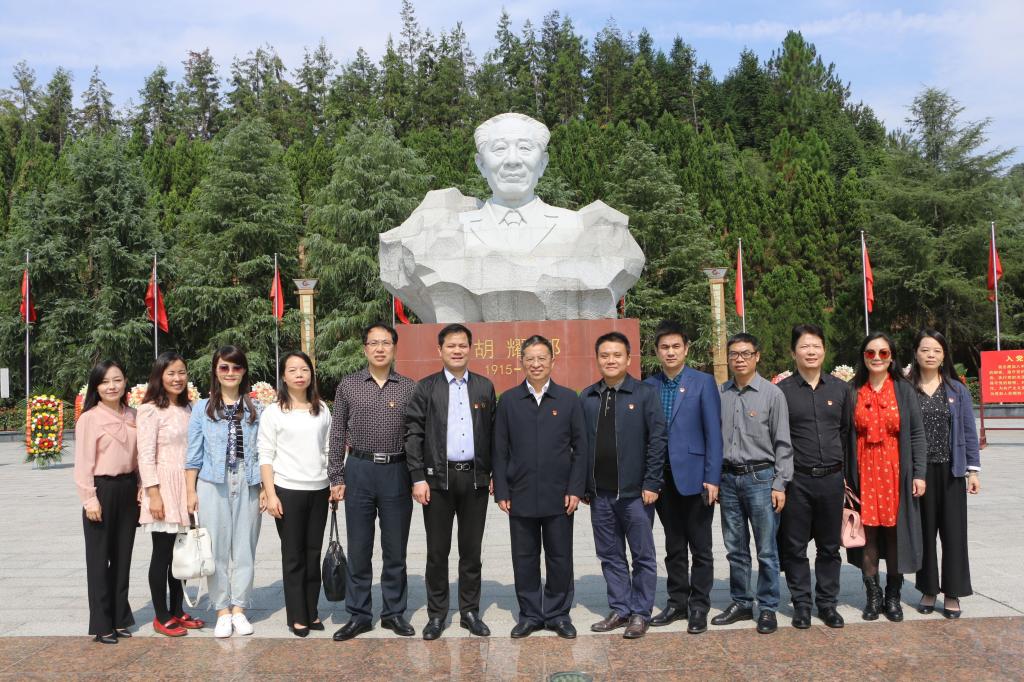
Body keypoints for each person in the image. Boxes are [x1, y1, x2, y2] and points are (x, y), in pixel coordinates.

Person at [379, 112, 645, 323]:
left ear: (543, 163)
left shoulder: (576, 227)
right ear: (481, 164)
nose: (513, 161)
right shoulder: (453, 228)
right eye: (499, 149)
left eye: (525, 148)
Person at [493, 335, 588, 639]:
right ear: (521, 362)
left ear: (552, 361)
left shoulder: (568, 399)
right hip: (520, 494)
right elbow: (499, 449)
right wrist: (502, 491)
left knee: (560, 557)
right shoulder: (509, 400)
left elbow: (581, 448)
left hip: (559, 495)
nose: (536, 364)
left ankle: (558, 614)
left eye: (541, 358)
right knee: (524, 558)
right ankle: (531, 614)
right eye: (530, 359)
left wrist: (576, 489)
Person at [405, 323, 496, 640]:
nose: (457, 350)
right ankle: (437, 614)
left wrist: (494, 475)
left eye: (462, 345)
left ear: (470, 349)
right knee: (437, 552)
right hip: (437, 481)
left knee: (471, 551)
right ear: (440, 350)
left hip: (474, 480)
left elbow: (494, 434)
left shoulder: (484, 387)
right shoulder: (426, 388)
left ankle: (470, 611)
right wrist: (417, 477)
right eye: (451, 346)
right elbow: (413, 434)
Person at [328, 323, 417, 641]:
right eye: (374, 343)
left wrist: (417, 477)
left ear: (394, 348)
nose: (380, 349)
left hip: (397, 471)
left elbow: (415, 435)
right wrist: (336, 475)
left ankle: (394, 613)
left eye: (386, 343)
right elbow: (337, 432)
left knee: (395, 549)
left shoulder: (408, 387)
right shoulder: (349, 385)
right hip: (359, 471)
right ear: (365, 348)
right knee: (359, 548)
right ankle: (359, 614)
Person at [580, 331, 666, 639]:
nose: (611, 360)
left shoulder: (644, 394)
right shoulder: (588, 396)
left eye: (617, 355)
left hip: (635, 494)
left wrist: (652, 482)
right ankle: (620, 608)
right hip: (600, 495)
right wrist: (584, 486)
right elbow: (581, 445)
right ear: (597, 359)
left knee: (642, 556)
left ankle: (640, 612)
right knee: (610, 554)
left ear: (628, 359)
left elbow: (657, 440)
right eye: (605, 355)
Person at [643, 320, 722, 635]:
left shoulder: (703, 382)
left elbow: (713, 434)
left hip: (695, 478)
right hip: (662, 480)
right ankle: (677, 603)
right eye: (664, 347)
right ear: (656, 351)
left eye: (676, 346)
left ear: (686, 349)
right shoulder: (649, 386)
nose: (670, 352)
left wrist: (713, 478)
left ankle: (699, 605)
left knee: (700, 546)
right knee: (673, 545)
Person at [713, 332, 792, 635]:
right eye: (734, 354)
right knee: (735, 547)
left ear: (757, 356)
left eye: (746, 353)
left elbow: (783, 443)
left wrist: (780, 484)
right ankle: (741, 602)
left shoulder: (773, 394)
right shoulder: (721, 393)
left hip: (761, 479)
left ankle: (768, 606)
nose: (740, 359)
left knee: (766, 549)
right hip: (728, 479)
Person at [185, 346, 265, 638]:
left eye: (236, 367)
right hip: (212, 482)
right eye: (224, 367)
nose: (230, 373)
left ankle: (239, 608)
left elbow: (264, 452)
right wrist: (190, 491)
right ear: (216, 371)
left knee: (245, 548)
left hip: (248, 480)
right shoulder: (202, 409)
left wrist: (265, 488)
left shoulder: (258, 409)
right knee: (216, 550)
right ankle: (221, 610)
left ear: (244, 371)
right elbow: (193, 455)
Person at [846, 332, 927, 622]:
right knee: (867, 534)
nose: (877, 358)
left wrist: (919, 473)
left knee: (895, 534)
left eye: (883, 352)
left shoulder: (904, 390)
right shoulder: (853, 390)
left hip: (896, 471)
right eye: (871, 353)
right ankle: (873, 596)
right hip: (863, 469)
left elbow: (916, 434)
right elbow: (843, 435)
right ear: (863, 357)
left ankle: (893, 596)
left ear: (892, 357)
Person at [776, 324, 851, 630]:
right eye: (804, 346)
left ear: (824, 351)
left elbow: (845, 432)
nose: (811, 352)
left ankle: (828, 604)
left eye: (816, 346)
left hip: (832, 480)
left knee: (829, 547)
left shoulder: (840, 389)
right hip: (798, 480)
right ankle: (802, 604)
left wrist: (845, 476)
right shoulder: (782, 392)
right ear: (793, 352)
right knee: (794, 547)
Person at [908, 329, 980, 619]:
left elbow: (968, 431)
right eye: (925, 349)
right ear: (916, 353)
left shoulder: (956, 390)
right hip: (920, 473)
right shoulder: (906, 388)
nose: (930, 355)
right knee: (925, 533)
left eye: (936, 350)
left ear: (944, 355)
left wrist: (972, 471)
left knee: (954, 534)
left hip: (951, 471)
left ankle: (953, 592)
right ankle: (928, 589)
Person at [259, 351, 332, 637]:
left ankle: (312, 611)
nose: (299, 375)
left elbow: (329, 448)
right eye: (293, 370)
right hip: (287, 491)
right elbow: (265, 455)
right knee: (293, 556)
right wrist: (270, 493)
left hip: (319, 490)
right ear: (283, 376)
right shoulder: (273, 412)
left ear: (311, 374)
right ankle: (297, 615)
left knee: (313, 554)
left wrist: (334, 481)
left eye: (304, 369)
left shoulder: (321, 409)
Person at [138, 352, 204, 637]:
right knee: (162, 553)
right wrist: (153, 494)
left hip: (187, 485)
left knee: (182, 552)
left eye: (182, 372)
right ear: (159, 376)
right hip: (164, 486)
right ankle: (161, 614)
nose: (177, 378)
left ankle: (178, 609)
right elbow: (145, 455)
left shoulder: (190, 408)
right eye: (171, 373)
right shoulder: (150, 410)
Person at [74, 360, 139, 644]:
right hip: (102, 490)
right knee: (99, 560)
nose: (111, 386)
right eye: (104, 382)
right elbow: (83, 464)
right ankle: (102, 623)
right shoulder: (89, 418)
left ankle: (120, 617)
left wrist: (141, 487)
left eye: (117, 380)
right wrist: (90, 499)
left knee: (123, 558)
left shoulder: (134, 415)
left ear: (125, 382)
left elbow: (139, 457)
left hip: (128, 489)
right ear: (96, 387)